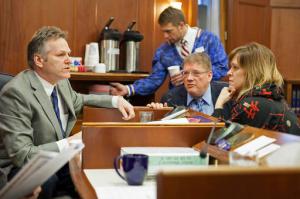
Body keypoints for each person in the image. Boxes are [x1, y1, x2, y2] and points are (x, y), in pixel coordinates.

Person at [0, 26, 135, 198]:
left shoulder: (61, 82)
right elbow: (22, 155)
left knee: (90, 174)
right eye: (60, 55)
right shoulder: (16, 93)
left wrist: (115, 100)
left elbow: (79, 100)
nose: (69, 60)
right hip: (18, 170)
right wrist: (70, 142)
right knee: (50, 181)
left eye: (68, 54)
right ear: (39, 60)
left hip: (54, 161)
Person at [110, 6, 228, 97]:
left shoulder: (209, 39)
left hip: (208, 99)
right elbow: (154, 80)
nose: (165, 36)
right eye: (163, 32)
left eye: (169, 31)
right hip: (178, 102)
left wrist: (188, 75)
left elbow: (223, 68)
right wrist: (128, 89)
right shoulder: (163, 51)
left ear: (181, 25)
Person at [213, 42, 300, 135]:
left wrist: (219, 104)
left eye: (235, 67)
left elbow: (216, 139)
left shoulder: (250, 105)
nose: (229, 73)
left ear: (252, 72)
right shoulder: (271, 97)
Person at [147, 53, 231, 116]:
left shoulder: (226, 92)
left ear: (209, 76)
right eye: (185, 73)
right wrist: (157, 114)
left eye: (196, 73)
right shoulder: (170, 98)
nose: (189, 78)